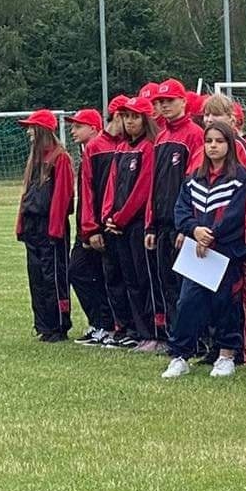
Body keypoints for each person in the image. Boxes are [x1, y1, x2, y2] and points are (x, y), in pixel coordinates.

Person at [160, 120, 246, 379]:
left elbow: (238, 213)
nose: (213, 146)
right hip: (197, 254)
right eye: (209, 141)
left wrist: (211, 235)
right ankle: (180, 355)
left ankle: (226, 355)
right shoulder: (193, 178)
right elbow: (181, 209)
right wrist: (194, 230)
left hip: (226, 251)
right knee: (187, 302)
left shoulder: (240, 177)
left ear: (229, 145)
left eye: (219, 141)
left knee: (225, 303)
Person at [145, 80, 203, 346]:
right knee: (166, 283)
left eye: (169, 100)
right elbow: (154, 183)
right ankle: (174, 339)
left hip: (181, 226)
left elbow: (195, 185)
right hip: (162, 225)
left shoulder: (194, 135)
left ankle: (194, 340)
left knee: (186, 287)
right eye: (160, 102)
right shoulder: (160, 137)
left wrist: (186, 226)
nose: (164, 105)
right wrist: (151, 224)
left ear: (183, 101)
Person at [102, 95, 158, 351]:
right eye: (126, 117)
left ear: (146, 119)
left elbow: (143, 189)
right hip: (118, 226)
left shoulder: (148, 147)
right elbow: (112, 184)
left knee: (143, 279)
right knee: (129, 280)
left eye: (135, 117)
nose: (130, 122)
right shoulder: (123, 148)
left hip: (136, 224)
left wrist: (122, 217)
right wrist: (108, 215)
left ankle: (151, 331)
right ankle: (135, 330)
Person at [15, 109, 74, 341]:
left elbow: (62, 197)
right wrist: (21, 225)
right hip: (33, 226)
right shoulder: (35, 159)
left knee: (54, 277)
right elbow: (26, 195)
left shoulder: (60, 158)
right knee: (36, 277)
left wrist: (55, 229)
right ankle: (43, 325)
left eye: (32, 128)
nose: (29, 132)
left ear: (42, 130)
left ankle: (58, 325)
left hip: (50, 227)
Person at [65, 109, 119, 346]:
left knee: (85, 272)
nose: (73, 131)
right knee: (82, 272)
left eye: (78, 126)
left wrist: (92, 227)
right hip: (88, 225)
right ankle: (100, 323)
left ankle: (106, 324)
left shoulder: (101, 150)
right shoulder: (90, 150)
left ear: (94, 128)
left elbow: (97, 193)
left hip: (96, 226)